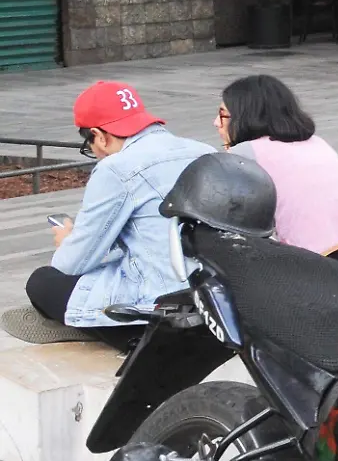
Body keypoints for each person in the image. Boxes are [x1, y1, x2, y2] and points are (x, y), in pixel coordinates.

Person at [6, 82, 214, 346]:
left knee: (43, 280)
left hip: (158, 311)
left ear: (99, 135)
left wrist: (67, 240)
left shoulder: (116, 169)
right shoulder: (204, 151)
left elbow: (70, 264)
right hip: (214, 299)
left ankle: (102, 329)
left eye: (89, 144)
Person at [216, 75, 338, 294]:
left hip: (317, 278)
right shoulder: (317, 142)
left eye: (223, 115)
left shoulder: (246, 153)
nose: (216, 123)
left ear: (245, 116)